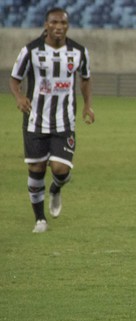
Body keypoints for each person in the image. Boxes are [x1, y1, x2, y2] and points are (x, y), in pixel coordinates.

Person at [9, 7, 95, 233]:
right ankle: (40, 220)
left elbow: (85, 79)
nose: (59, 27)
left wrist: (87, 105)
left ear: (68, 26)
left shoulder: (78, 52)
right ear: (46, 24)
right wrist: (19, 97)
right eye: (54, 23)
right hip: (35, 120)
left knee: (60, 169)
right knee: (36, 169)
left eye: (63, 23)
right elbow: (14, 79)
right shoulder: (30, 51)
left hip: (64, 121)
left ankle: (56, 189)